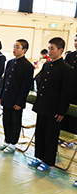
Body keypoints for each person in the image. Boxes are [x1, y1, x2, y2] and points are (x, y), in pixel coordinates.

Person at [29, 37, 73, 172]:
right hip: (43, 105)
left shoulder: (66, 68)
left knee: (51, 135)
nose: (49, 51)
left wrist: (61, 111)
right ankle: (39, 156)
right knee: (40, 132)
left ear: (60, 50)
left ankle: (48, 161)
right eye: (48, 48)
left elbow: (66, 92)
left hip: (54, 109)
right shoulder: (47, 65)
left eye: (52, 49)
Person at [0, 39, 34, 153]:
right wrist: (0, 95)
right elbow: (4, 80)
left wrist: (20, 102)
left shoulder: (27, 66)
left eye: (17, 47)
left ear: (24, 50)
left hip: (16, 100)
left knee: (15, 122)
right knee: (6, 120)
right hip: (7, 97)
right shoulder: (10, 62)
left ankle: (13, 144)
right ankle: (7, 141)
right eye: (14, 46)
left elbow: (25, 87)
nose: (14, 49)